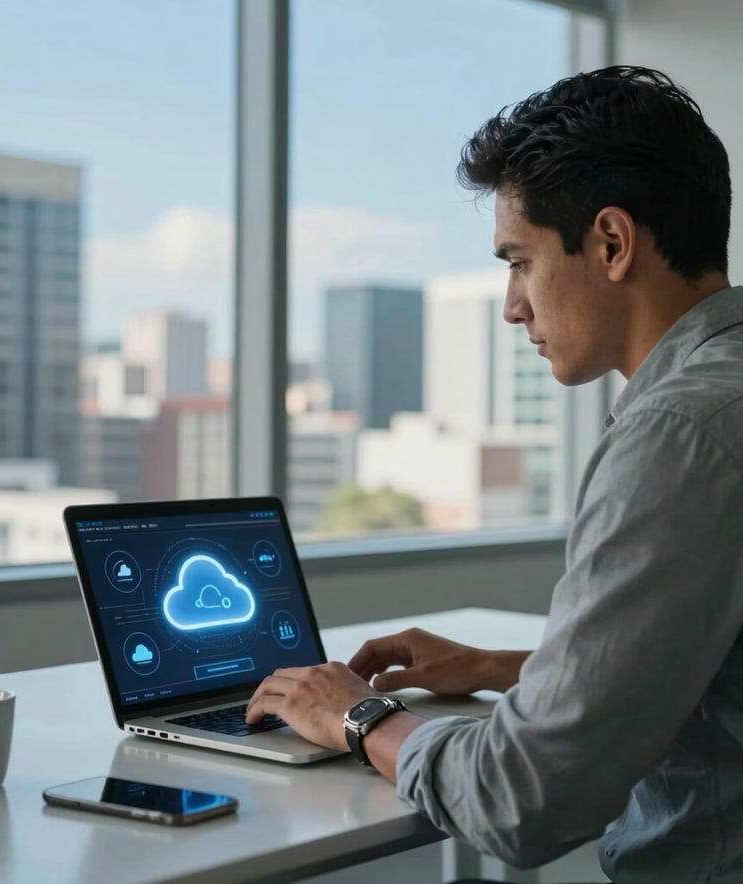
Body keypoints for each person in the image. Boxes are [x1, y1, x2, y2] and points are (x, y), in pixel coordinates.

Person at [247, 66, 743, 882]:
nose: (514, 306)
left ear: (612, 243)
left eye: (519, 261)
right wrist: (508, 668)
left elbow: (524, 801)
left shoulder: (676, 434)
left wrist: (357, 716)